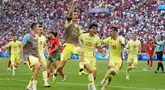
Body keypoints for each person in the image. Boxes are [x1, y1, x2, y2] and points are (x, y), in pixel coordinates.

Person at [53, 0, 96, 89]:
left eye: (77, 14)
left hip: (74, 46)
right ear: (71, 16)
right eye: (75, 14)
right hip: (67, 46)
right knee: (61, 65)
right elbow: (69, 14)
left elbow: (81, 36)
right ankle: (55, 73)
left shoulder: (78, 27)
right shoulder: (69, 23)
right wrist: (73, 4)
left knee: (81, 51)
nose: (76, 16)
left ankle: (81, 70)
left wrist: (91, 36)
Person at [78, 24, 105, 90]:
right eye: (93, 28)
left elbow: (99, 48)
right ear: (89, 29)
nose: (95, 30)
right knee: (89, 70)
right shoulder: (82, 36)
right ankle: (93, 87)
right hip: (84, 56)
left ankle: (90, 85)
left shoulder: (97, 38)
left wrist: (102, 52)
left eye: (95, 29)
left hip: (92, 57)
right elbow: (76, 43)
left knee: (94, 76)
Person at [18, 23, 41, 90]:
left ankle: (29, 86)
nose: (39, 29)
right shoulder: (27, 36)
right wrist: (22, 58)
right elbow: (21, 47)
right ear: (34, 28)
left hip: (35, 57)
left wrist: (39, 57)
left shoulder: (36, 38)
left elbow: (36, 48)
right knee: (38, 66)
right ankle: (34, 86)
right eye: (38, 27)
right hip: (29, 56)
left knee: (36, 71)